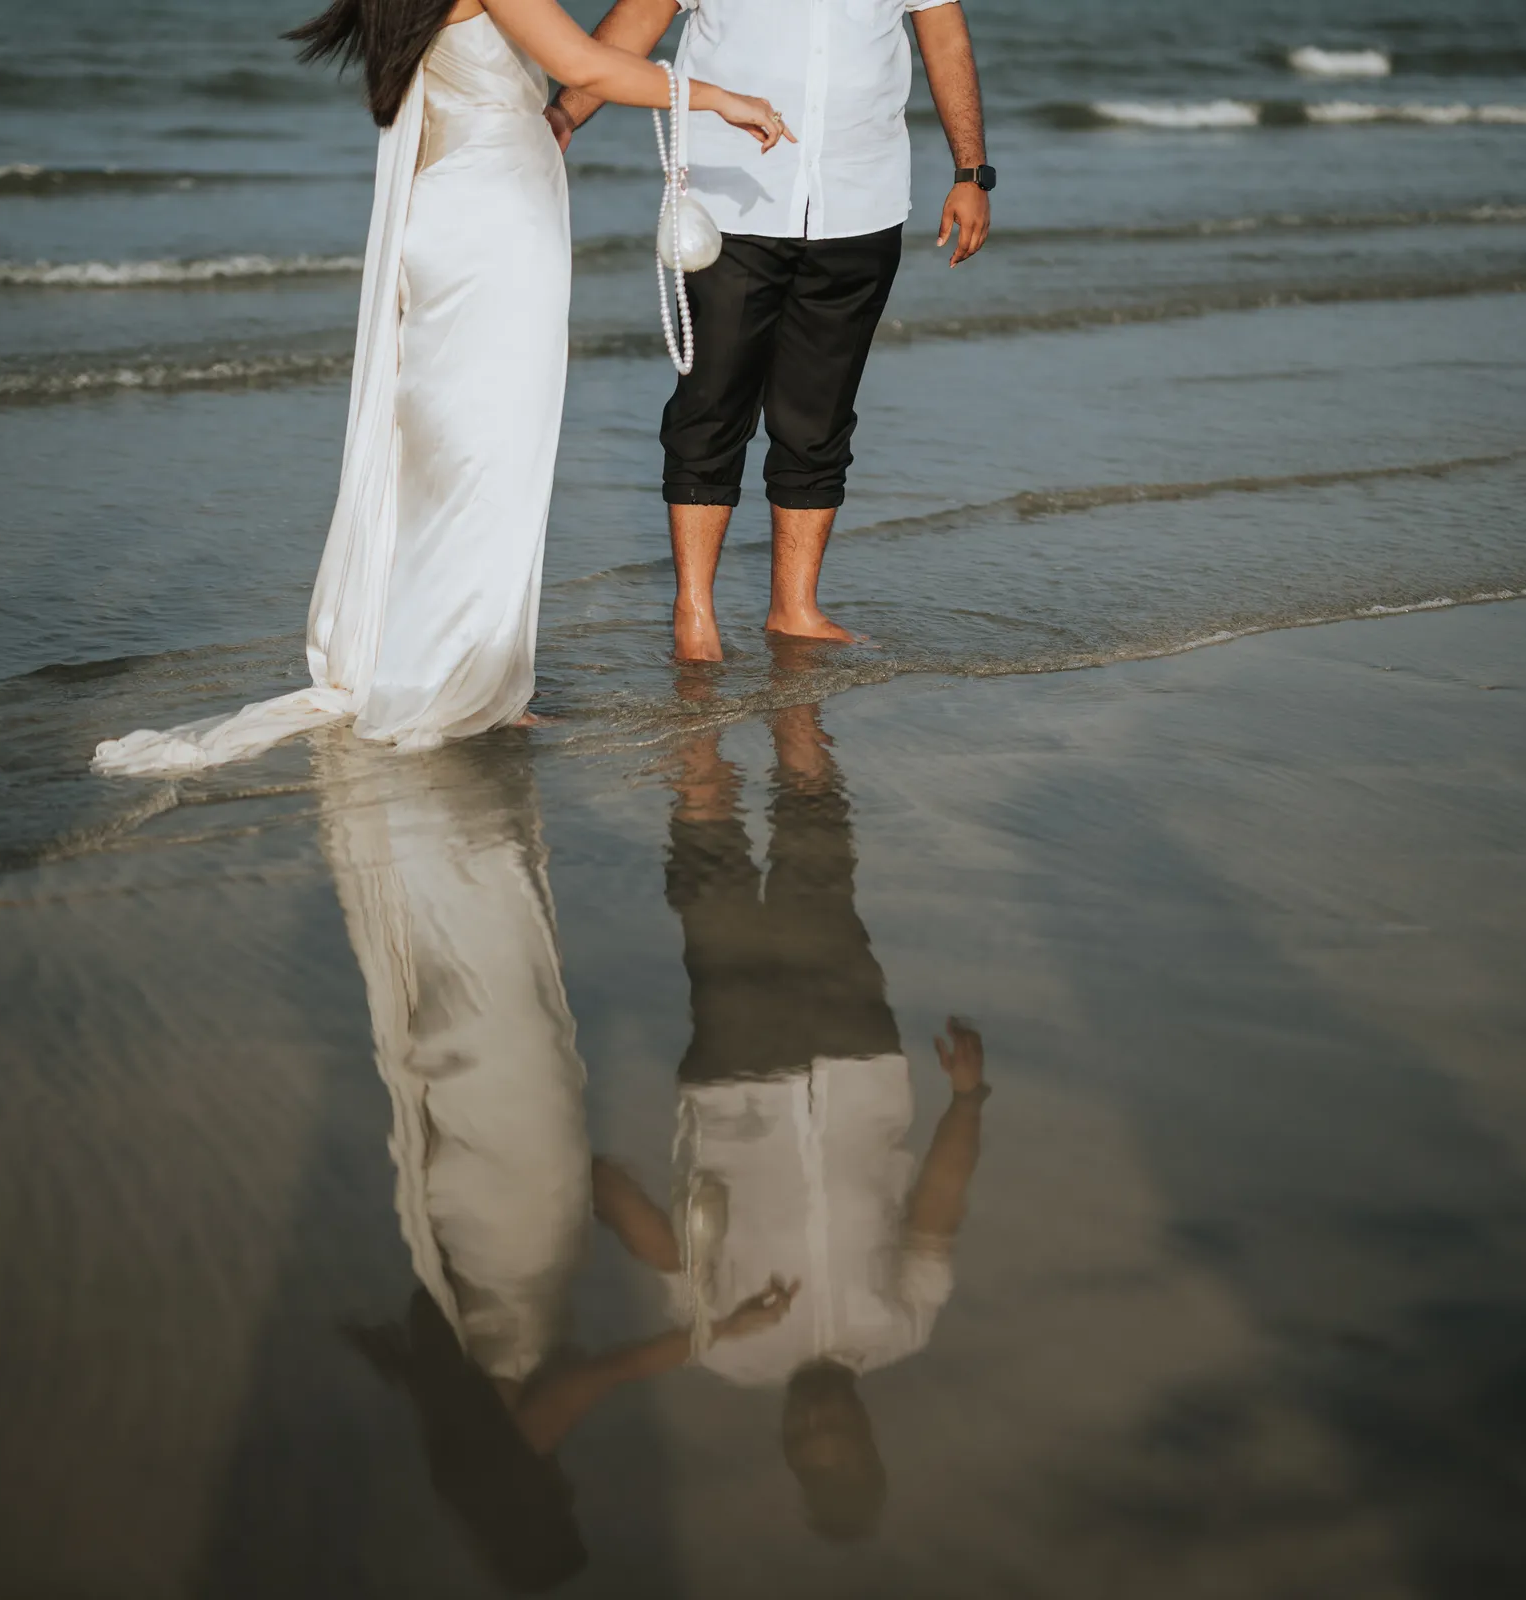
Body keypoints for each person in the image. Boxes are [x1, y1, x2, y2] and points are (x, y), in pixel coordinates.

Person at [92, 0, 791, 775]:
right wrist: (718, 98)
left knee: (451, 450)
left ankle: (452, 665)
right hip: (495, 221)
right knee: (489, 455)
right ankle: (465, 683)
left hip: (454, 208)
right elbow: (582, 65)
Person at [323, 735, 795, 1589]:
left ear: (534, 1512)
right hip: (489, 1207)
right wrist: (673, 1260)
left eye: (562, 1507)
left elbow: (599, 1376)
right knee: (479, 1024)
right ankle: (441, 818)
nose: (569, 1489)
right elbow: (597, 1190)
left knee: (508, 1011)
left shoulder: (508, 1448)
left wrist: (715, 1332)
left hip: (518, 1217)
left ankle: (457, 819)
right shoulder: (453, 1401)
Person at [589, 700, 992, 1540]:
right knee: (819, 863)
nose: (817, 1423)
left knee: (711, 880)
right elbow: (935, 1212)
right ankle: (794, 692)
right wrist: (966, 1102)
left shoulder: (730, 1354)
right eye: (838, 1437)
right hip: (858, 1060)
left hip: (736, 1081)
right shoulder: (904, 1327)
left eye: (805, 1443)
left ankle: (696, 699)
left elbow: (660, 1248)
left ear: (786, 1445)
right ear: (868, 1436)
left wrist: (579, 1171)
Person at [549, 0, 994, 660]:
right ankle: (694, 612)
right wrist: (561, 118)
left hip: (860, 199)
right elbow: (633, 26)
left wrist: (971, 171)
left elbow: (945, 35)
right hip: (728, 202)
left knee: (819, 417)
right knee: (710, 406)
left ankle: (795, 609)